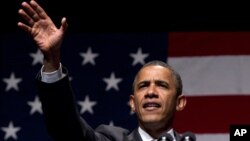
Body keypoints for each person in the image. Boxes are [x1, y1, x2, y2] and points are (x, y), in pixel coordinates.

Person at [17, 1, 187, 141]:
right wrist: (52, 60)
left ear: (180, 102)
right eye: (143, 86)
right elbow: (67, 129)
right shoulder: (110, 138)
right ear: (132, 103)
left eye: (162, 85)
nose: (151, 92)